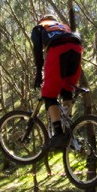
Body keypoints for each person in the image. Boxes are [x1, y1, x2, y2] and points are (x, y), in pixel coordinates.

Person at [31, 14, 84, 150]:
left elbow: (37, 48)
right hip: (77, 50)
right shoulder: (64, 27)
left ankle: (59, 134)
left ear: (42, 21)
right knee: (67, 91)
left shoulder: (40, 28)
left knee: (49, 95)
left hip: (58, 49)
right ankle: (68, 132)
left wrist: (38, 72)